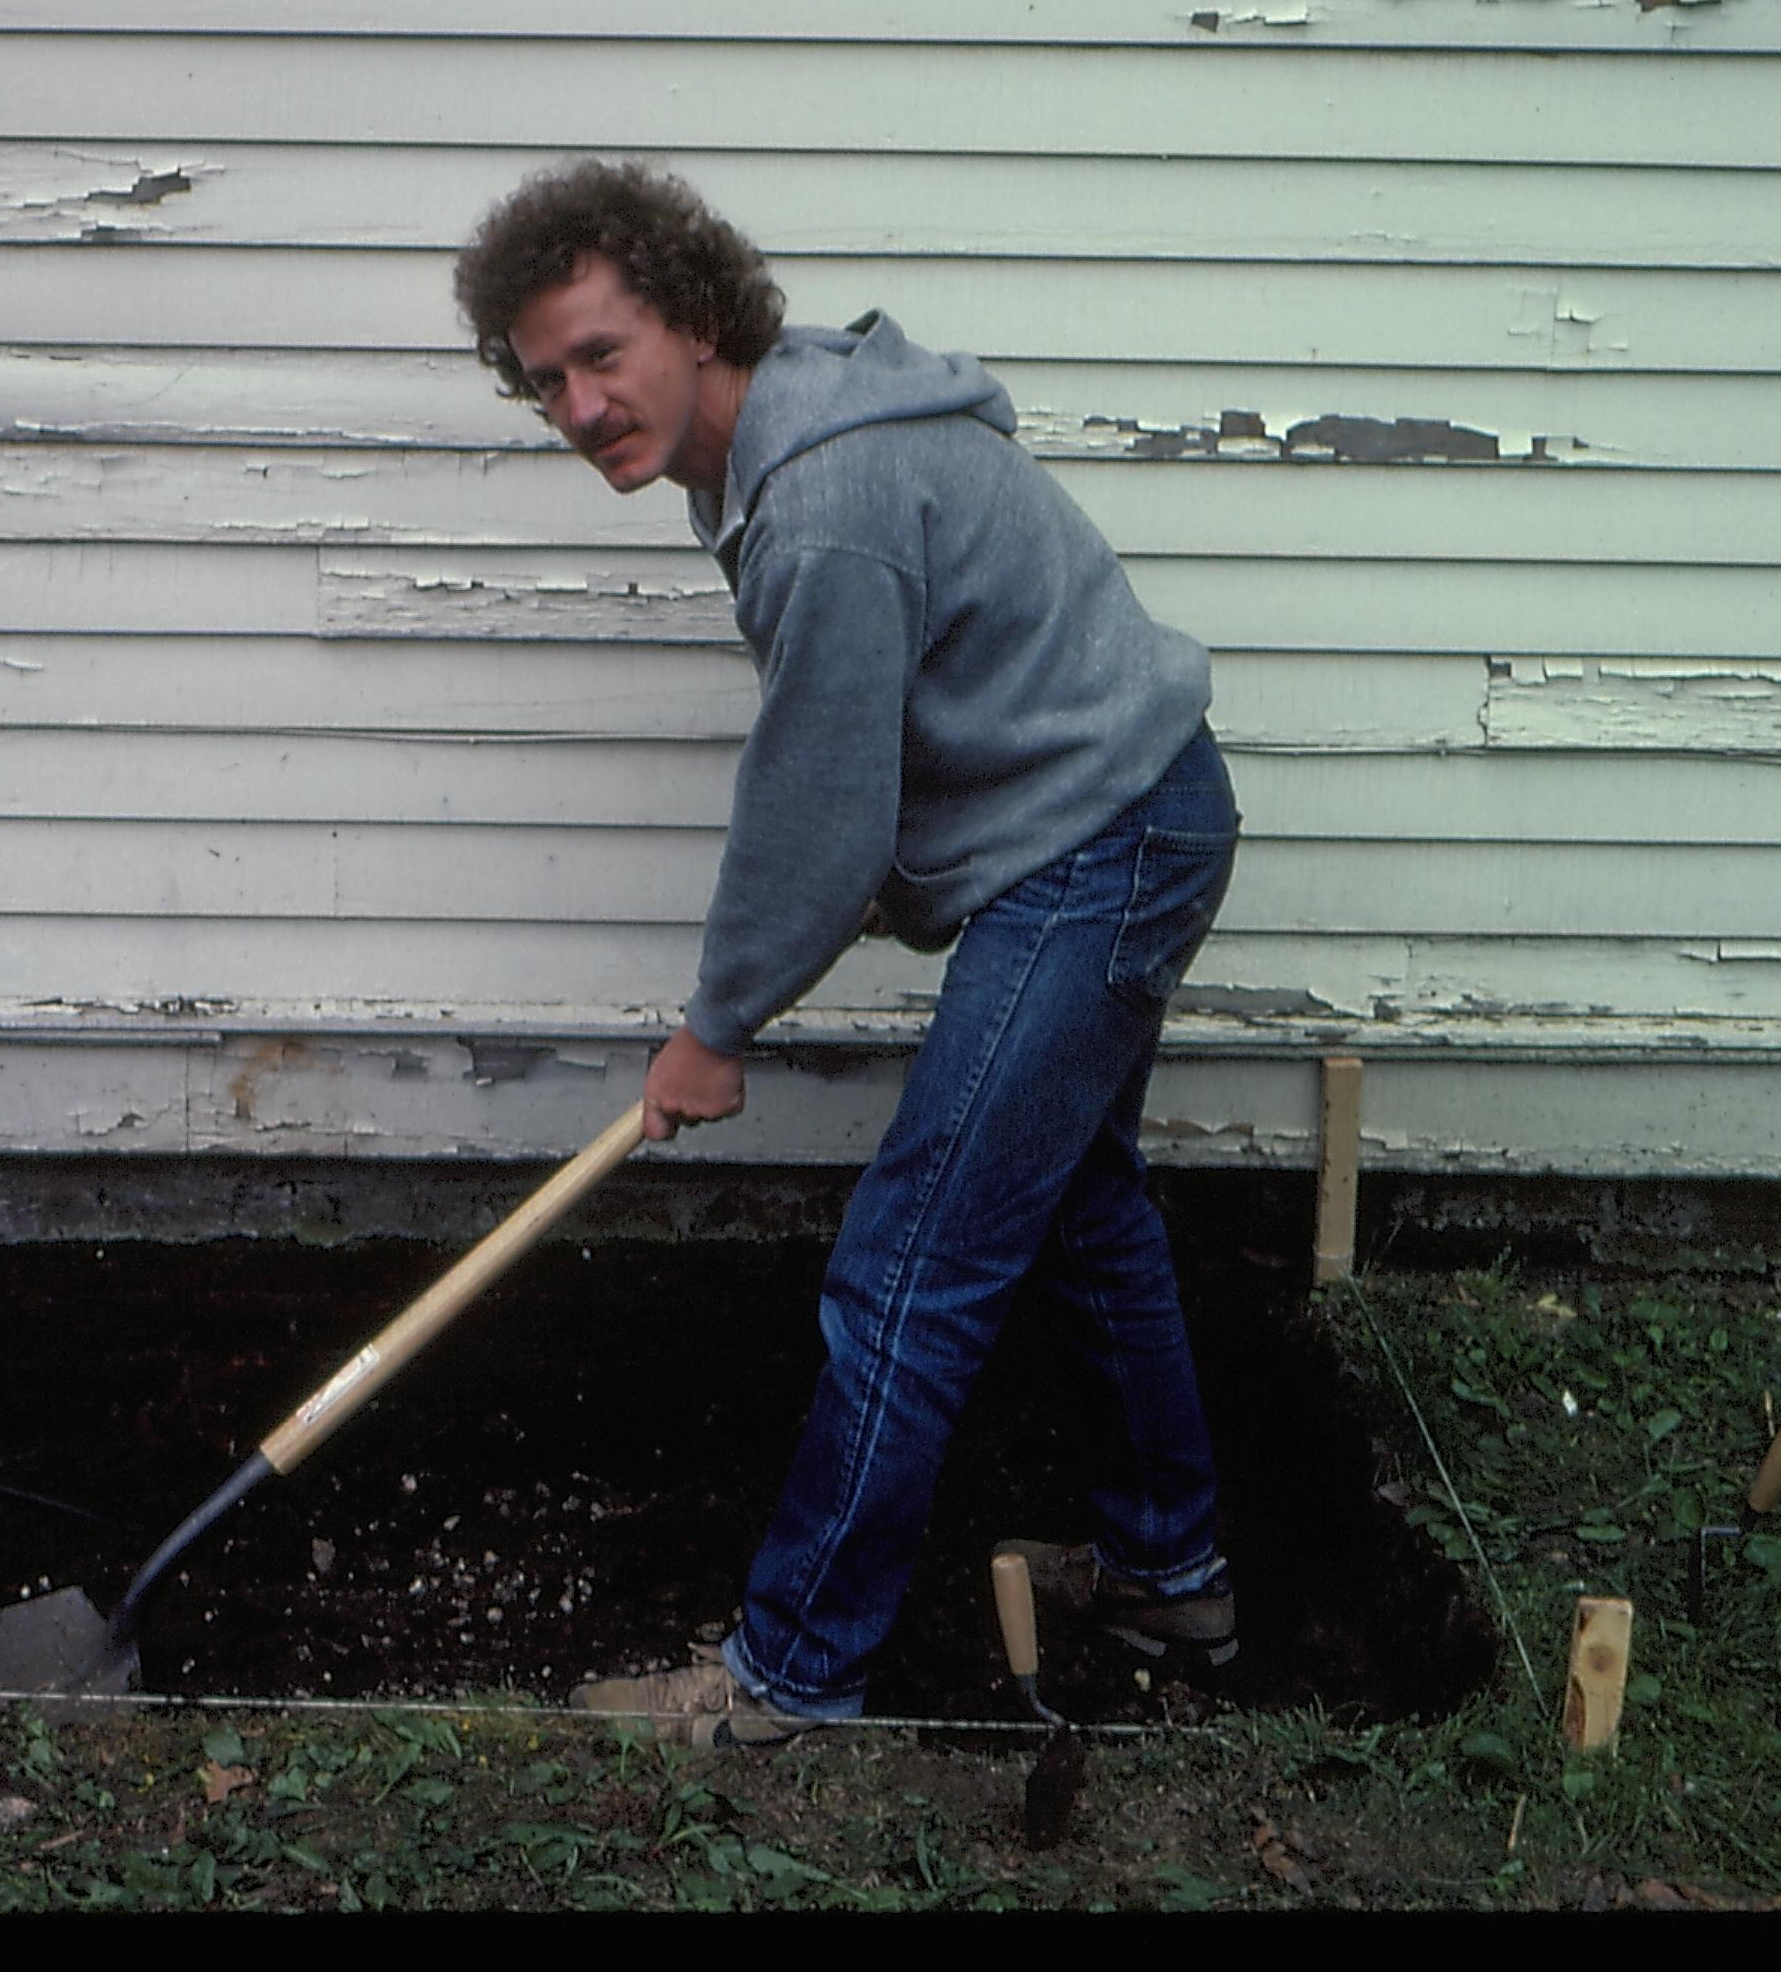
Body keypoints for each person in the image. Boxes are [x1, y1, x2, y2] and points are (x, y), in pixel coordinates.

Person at [451, 159, 1244, 1745]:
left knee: (910, 1266)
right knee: (1080, 1210)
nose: (582, 405)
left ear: (690, 317)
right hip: (1124, 808)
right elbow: (882, 731)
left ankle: (793, 1683)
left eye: (603, 356)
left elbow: (813, 802)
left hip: (1100, 843)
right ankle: (1173, 1577)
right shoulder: (767, 438)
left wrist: (719, 1022)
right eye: (546, 383)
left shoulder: (820, 498)